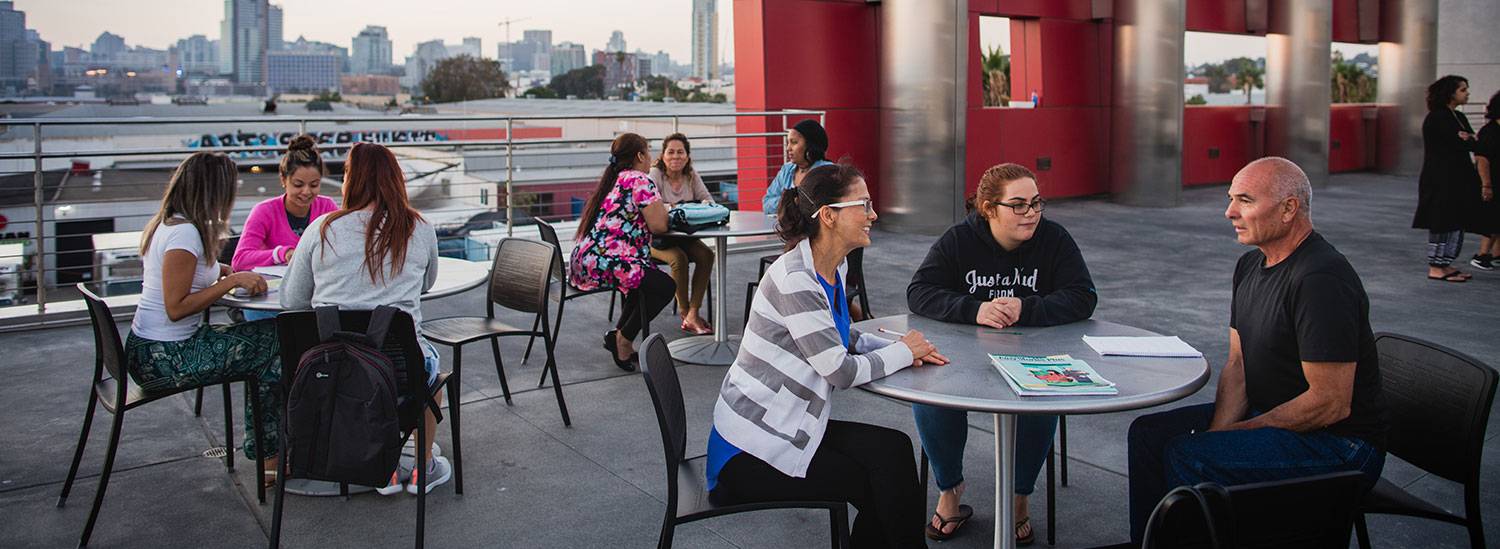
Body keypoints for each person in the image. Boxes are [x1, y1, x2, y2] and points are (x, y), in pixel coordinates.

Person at [1126, 157, 1387, 543]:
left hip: (1338, 444)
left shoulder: (1321, 279)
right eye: (1231, 198)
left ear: (1288, 208)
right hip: (1273, 416)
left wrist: (1233, 435)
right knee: (1148, 435)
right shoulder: (1250, 266)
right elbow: (1238, 365)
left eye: (1245, 200)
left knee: (1189, 456)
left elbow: (1330, 404)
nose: (1229, 212)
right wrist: (1220, 434)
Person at [711, 162, 949, 549]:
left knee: (893, 452)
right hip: (750, 447)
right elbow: (839, 370)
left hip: (790, 423)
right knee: (877, 482)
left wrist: (900, 349)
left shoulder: (830, 268)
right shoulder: (796, 280)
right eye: (864, 205)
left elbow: (843, 335)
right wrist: (904, 352)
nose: (874, 214)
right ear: (829, 216)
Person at [905, 162, 1098, 544]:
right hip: (964, 355)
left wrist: (1027, 308)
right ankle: (950, 490)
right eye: (1019, 205)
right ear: (989, 209)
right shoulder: (960, 240)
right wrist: (974, 309)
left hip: (1034, 356)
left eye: (1036, 203)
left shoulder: (1054, 239)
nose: (1032, 213)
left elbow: (1083, 296)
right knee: (930, 394)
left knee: (1042, 396)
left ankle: (1019, 496)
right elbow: (919, 291)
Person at [280, 142, 449, 496]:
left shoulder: (321, 229)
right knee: (433, 368)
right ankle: (423, 467)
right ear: (395, 179)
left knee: (394, 363)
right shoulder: (419, 227)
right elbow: (427, 283)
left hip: (333, 371)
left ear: (351, 181)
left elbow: (292, 301)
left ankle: (380, 465)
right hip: (401, 372)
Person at [125, 152, 280, 471]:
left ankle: (269, 451)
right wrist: (231, 281)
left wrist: (218, 270)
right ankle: (269, 456)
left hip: (151, 351)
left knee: (270, 339)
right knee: (276, 343)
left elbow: (184, 275)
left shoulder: (173, 224)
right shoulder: (184, 235)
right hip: (165, 359)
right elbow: (176, 308)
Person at [569, 133, 673, 371]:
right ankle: (623, 340)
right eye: (648, 152)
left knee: (643, 283)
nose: (651, 158)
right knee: (665, 287)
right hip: (606, 261)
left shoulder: (614, 179)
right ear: (640, 156)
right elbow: (659, 225)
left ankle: (618, 335)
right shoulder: (640, 180)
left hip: (584, 260)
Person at [232, 134, 339, 321]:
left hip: (315, 296)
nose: (306, 192)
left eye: (314, 185)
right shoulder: (264, 211)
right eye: (298, 185)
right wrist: (281, 254)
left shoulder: (327, 206)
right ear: (283, 179)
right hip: (270, 301)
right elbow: (240, 260)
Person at [1413, 75, 1481, 282]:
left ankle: (1446, 264)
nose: (1467, 93)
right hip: (1440, 179)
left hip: (1458, 178)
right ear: (1450, 93)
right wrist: (1466, 139)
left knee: (1455, 220)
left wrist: (1468, 138)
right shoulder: (1437, 117)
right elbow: (1458, 142)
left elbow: (1473, 142)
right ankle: (1436, 267)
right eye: (1462, 90)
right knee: (1441, 220)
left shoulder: (1457, 116)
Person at [647, 133, 716, 335]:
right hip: (656, 239)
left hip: (684, 236)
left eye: (680, 152)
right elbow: (651, 206)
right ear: (663, 155)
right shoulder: (655, 174)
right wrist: (681, 207)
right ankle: (685, 313)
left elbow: (708, 201)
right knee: (679, 259)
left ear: (687, 156)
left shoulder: (691, 175)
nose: (675, 156)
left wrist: (698, 205)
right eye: (671, 152)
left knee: (707, 255)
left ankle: (693, 313)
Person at [761, 119, 834, 214]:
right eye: (788, 143)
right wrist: (790, 202)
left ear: (810, 145)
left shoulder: (828, 171)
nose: (788, 148)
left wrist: (786, 204)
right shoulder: (787, 170)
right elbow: (767, 204)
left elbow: (820, 207)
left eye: (794, 142)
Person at [1469, 90, 1500, 270]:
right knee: (1493, 220)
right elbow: (1482, 159)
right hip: (1493, 181)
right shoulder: (1490, 132)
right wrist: (1486, 185)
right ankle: (1482, 255)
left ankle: (1496, 255)